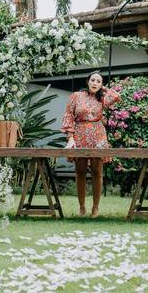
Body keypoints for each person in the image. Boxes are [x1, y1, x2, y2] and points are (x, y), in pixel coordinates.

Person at [61, 72, 120, 217]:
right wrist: (70, 137)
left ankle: (95, 208)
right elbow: (68, 115)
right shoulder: (76, 96)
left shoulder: (102, 98)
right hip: (80, 134)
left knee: (97, 171)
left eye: (98, 81)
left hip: (98, 136)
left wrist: (103, 89)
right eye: (92, 80)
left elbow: (117, 97)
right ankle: (82, 207)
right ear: (87, 81)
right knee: (80, 171)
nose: (95, 83)